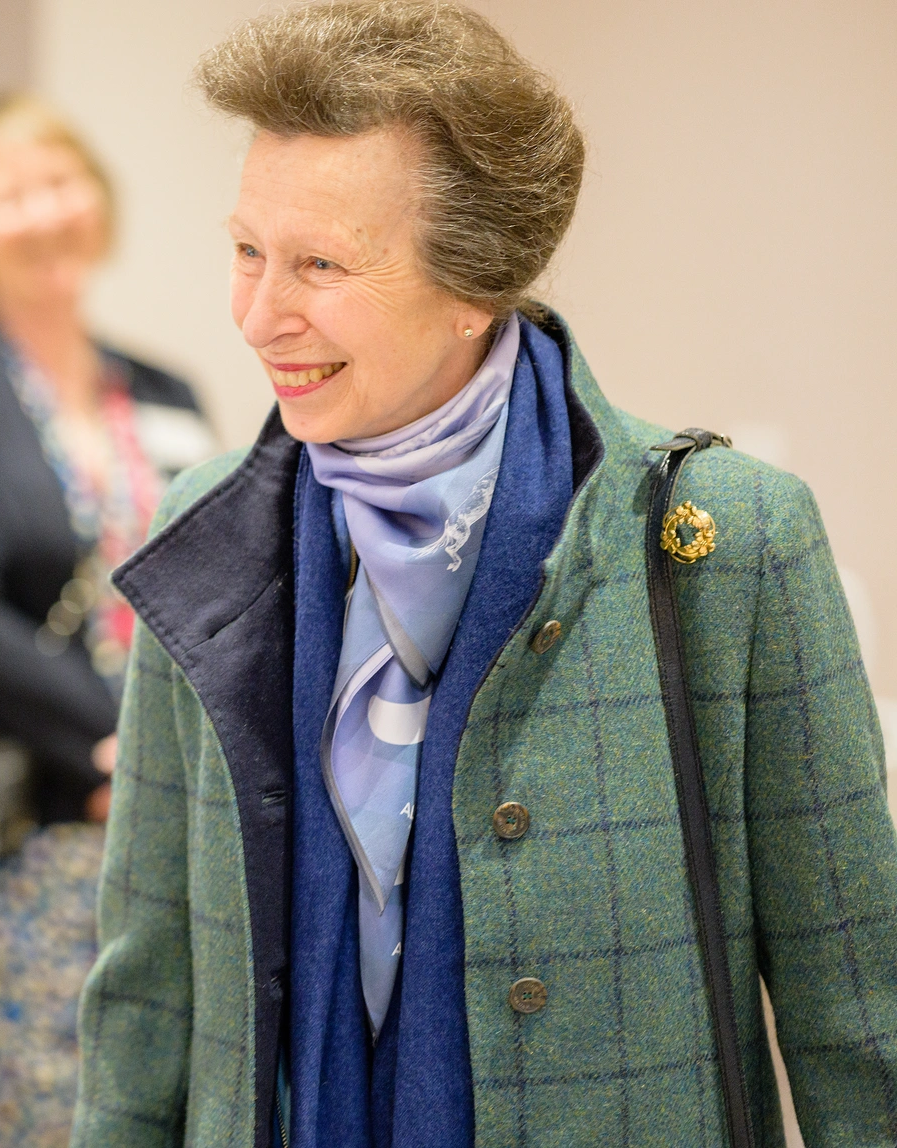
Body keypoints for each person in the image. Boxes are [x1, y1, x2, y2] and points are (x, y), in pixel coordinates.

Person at [73, 3, 897, 1146]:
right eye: (247, 249)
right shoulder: (211, 529)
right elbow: (147, 988)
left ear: (477, 285)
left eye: (319, 263)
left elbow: (858, 1015)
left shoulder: (730, 543)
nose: (259, 315)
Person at [0, 93, 213, 1147]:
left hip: (163, 823)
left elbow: (221, 584)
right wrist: (108, 736)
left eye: (59, 182)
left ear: (98, 204)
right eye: (8, 194)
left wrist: (171, 756)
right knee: (15, 1109)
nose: (42, 213)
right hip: (22, 831)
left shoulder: (164, 388)